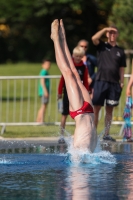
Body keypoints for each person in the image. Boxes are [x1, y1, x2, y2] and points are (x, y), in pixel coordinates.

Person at [51, 19, 97, 152]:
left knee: (69, 73)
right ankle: (60, 36)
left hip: (81, 111)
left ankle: (57, 38)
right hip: (87, 110)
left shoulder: (78, 149)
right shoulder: (83, 150)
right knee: (73, 74)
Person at [91, 25, 126, 141]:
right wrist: (105, 29)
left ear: (117, 35)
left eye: (114, 33)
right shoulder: (102, 46)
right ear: (107, 34)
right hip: (101, 81)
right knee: (96, 108)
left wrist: (121, 81)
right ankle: (94, 133)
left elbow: (122, 68)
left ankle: (106, 134)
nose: (112, 35)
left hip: (113, 83)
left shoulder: (120, 51)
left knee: (109, 109)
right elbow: (93, 39)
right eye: (110, 33)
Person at [58, 46, 89, 143]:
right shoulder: (69, 66)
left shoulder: (84, 67)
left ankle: (78, 136)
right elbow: (62, 79)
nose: (78, 58)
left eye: (80, 56)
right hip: (68, 93)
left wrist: (87, 93)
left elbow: (86, 82)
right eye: (76, 56)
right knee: (64, 114)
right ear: (73, 55)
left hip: (78, 95)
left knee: (79, 115)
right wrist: (59, 92)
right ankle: (61, 135)